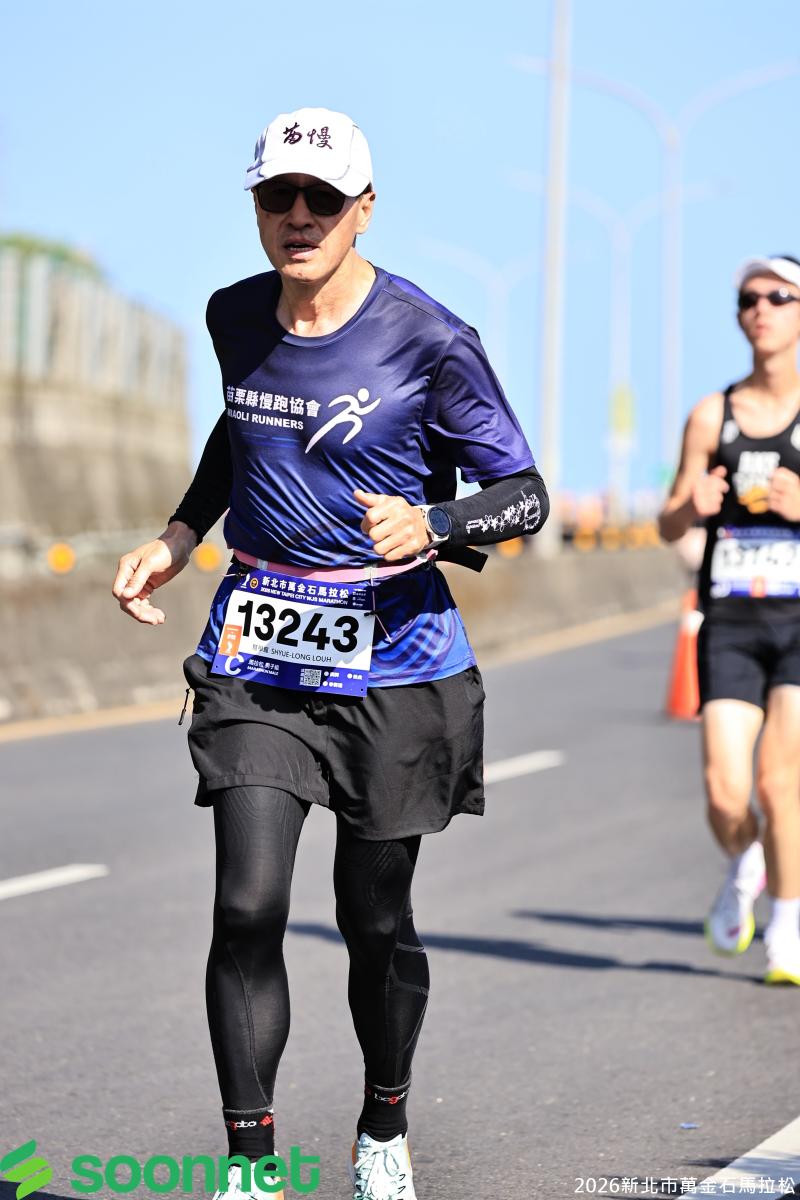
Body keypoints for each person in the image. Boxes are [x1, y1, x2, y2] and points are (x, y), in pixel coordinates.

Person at [112, 107, 549, 1200]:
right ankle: (249, 1167)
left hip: (394, 660)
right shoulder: (233, 315)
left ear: (363, 210)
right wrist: (179, 535)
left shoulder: (430, 338)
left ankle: (383, 1125)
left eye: (321, 198)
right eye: (278, 196)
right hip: (258, 655)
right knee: (247, 905)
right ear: (256, 207)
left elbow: (524, 493)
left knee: (374, 920)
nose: (297, 216)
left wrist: (436, 524)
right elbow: (242, 429)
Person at [659, 254, 800, 987]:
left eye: (779, 296)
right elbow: (667, 522)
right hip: (731, 620)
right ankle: (745, 863)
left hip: (799, 622)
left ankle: (786, 931)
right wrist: (693, 506)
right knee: (725, 791)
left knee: (780, 786)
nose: (762, 309)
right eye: (750, 298)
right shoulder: (712, 415)